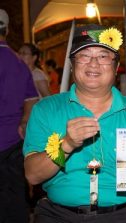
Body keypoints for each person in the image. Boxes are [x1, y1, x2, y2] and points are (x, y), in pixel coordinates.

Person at [23, 24, 126, 223]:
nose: (94, 64)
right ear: (72, 65)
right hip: (58, 215)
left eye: (103, 56)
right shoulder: (46, 109)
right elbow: (32, 176)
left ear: (115, 67)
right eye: (84, 56)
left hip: (123, 214)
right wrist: (67, 144)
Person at [0, 9, 39, 223]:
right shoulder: (19, 64)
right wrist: (24, 121)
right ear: (5, 30)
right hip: (14, 141)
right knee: (14, 200)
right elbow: (31, 99)